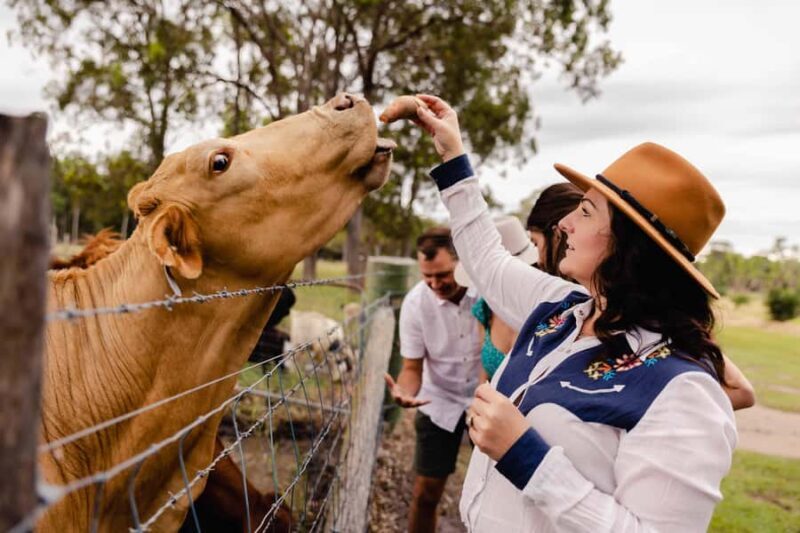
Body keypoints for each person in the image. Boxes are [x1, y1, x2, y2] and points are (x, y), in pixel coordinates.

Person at [412, 94, 740, 531]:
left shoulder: (683, 391)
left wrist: (525, 457)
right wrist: (453, 153)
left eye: (585, 211)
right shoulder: (559, 311)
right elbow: (488, 261)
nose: (565, 223)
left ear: (627, 245)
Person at [383, 227, 481, 533]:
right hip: (438, 399)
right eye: (427, 276)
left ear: (461, 262)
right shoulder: (415, 304)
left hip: (489, 397)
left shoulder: (488, 290)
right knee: (425, 493)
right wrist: (404, 392)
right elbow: (412, 368)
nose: (434, 284)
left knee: (495, 495)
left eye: (442, 275)